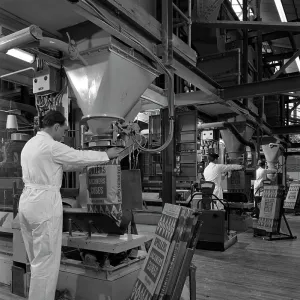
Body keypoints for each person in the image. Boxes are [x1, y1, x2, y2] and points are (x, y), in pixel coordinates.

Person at [18, 110, 123, 300]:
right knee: (46, 263)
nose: (64, 135)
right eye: (64, 130)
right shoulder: (51, 146)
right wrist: (106, 155)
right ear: (56, 127)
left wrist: (86, 164)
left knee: (36, 260)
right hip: (44, 204)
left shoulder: (30, 144)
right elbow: (76, 156)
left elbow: (65, 164)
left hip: (27, 203)